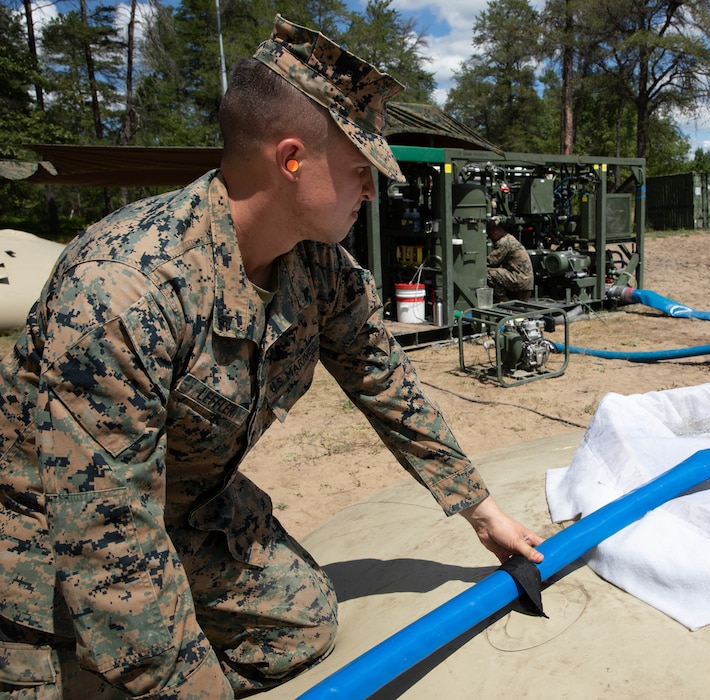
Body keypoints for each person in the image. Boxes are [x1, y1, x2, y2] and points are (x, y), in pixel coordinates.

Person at [0, 15, 544, 699]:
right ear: (291, 160)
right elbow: (108, 539)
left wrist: (481, 510)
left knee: (303, 627)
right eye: (360, 170)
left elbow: (387, 383)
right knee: (125, 670)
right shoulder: (123, 291)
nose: (373, 191)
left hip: (186, 507)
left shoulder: (319, 268)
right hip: (52, 535)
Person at [485, 219, 534, 302]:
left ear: (495, 232)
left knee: (487, 273)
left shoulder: (503, 242)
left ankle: (502, 299)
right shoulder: (510, 238)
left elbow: (491, 261)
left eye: (490, 234)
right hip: (525, 281)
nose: (490, 237)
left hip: (519, 280)